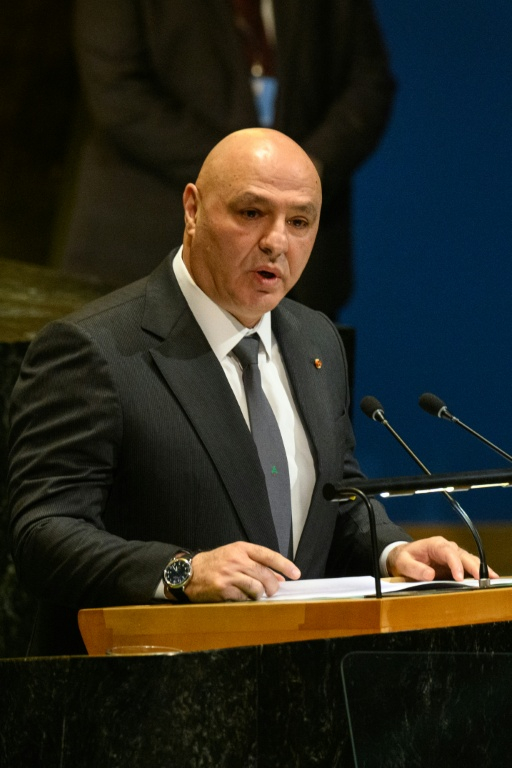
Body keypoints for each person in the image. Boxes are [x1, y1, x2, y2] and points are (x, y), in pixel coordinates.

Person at [8, 129, 491, 656]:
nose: (277, 241)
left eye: (300, 222)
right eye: (251, 214)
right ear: (192, 209)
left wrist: (395, 550)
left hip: (299, 690)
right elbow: (43, 532)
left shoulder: (316, 338)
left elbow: (337, 496)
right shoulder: (93, 349)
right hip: (145, 698)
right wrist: (181, 573)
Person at [60, 0, 396, 319]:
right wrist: (243, 173)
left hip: (300, 291)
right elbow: (119, 93)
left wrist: (307, 166)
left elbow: (369, 83)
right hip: (142, 251)